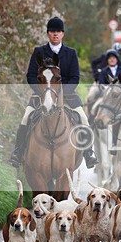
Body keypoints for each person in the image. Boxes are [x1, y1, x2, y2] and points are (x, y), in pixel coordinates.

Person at [10, 16, 98, 169]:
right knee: (25, 117)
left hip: (67, 95)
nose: (55, 34)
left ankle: (88, 153)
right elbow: (31, 75)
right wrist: (44, 92)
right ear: (48, 34)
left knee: (83, 118)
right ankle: (18, 152)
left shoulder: (71, 53)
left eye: (58, 31)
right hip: (41, 95)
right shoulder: (39, 51)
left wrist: (60, 93)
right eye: (52, 31)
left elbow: (75, 78)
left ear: (63, 34)